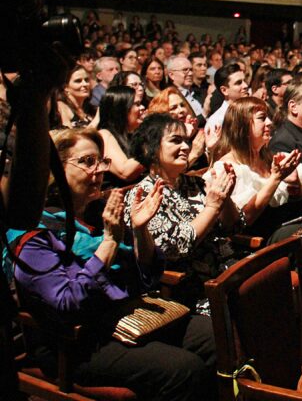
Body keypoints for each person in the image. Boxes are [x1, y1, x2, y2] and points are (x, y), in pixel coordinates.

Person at [5, 127, 216, 400]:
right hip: (76, 339)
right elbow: (67, 303)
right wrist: (108, 243)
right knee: (184, 370)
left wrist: (141, 231)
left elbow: (148, 278)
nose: (99, 170)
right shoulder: (33, 232)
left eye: (101, 161)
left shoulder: (98, 211)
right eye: (86, 162)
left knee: (215, 336)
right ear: (53, 169)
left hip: (126, 316)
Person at [124, 113, 243, 314]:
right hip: (191, 290)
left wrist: (226, 198)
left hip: (227, 272)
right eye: (176, 141)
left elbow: (235, 226)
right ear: (149, 149)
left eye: (186, 141)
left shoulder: (194, 183)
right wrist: (212, 207)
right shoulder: (143, 195)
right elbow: (178, 248)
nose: (186, 147)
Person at [207, 97, 302, 241]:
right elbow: (243, 221)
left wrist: (295, 184)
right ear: (242, 126)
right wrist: (276, 178)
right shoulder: (227, 168)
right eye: (262, 118)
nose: (269, 122)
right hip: (257, 244)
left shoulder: (269, 157)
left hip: (285, 235)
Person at [146, 87, 208, 171]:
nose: (181, 110)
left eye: (182, 105)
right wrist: (194, 153)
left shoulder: (194, 133)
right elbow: (168, 173)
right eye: (174, 108)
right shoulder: (161, 141)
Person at [98, 86, 146, 188]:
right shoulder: (104, 135)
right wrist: (154, 143)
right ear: (122, 109)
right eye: (137, 104)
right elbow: (126, 172)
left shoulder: (133, 135)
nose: (142, 107)